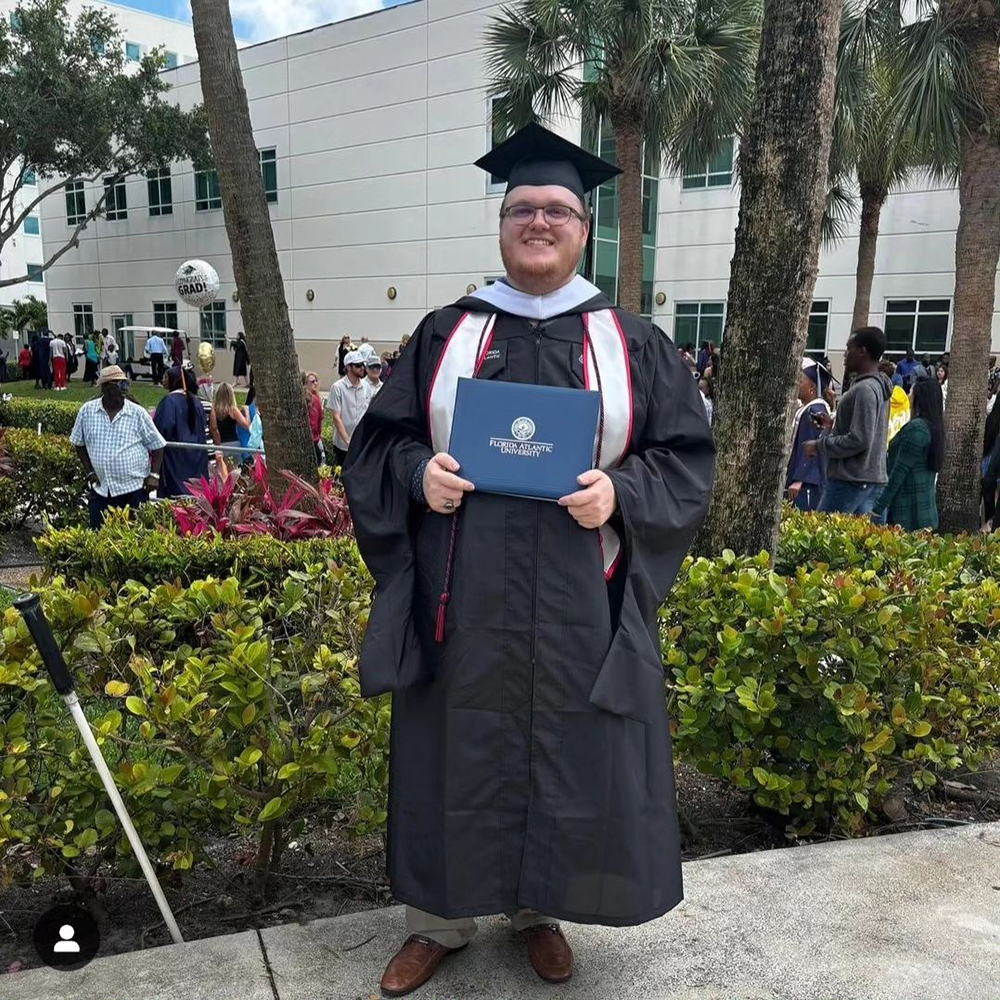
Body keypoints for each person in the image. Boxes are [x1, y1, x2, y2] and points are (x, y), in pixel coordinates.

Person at [343, 122, 715, 997]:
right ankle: (437, 922)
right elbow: (380, 446)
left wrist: (621, 492)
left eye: (556, 210)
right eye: (522, 209)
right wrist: (418, 474)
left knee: (563, 752)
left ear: (584, 228)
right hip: (461, 600)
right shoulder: (447, 332)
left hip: (579, 601)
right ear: (502, 224)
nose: (538, 222)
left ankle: (537, 911)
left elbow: (685, 457)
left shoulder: (631, 341)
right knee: (451, 749)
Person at [804, 326, 892, 516]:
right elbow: (868, 430)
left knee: (822, 531)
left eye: (849, 347)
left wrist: (819, 445)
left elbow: (860, 439)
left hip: (851, 480)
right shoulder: (877, 387)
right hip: (870, 479)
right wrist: (833, 425)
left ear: (862, 351)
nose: (845, 354)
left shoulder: (865, 390)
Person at [70, 365, 165, 528]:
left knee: (133, 536)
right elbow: (78, 443)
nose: (124, 388)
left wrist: (154, 475)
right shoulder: (87, 411)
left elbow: (158, 445)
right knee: (98, 535)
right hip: (101, 489)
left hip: (133, 489)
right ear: (105, 387)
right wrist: (89, 472)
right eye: (119, 384)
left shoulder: (137, 413)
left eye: (126, 383)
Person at [871, 376, 943, 531]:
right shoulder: (934, 427)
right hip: (926, 512)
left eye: (911, 392)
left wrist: (877, 508)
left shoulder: (917, 429)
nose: (908, 396)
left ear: (920, 398)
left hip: (909, 514)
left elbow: (899, 472)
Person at [154, 363, 209, 497]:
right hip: (197, 456)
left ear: (174, 380)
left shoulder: (169, 402)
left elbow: (160, 430)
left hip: (176, 459)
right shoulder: (196, 402)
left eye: (166, 377)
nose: (163, 380)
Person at [786, 358, 831, 511]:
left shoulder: (816, 411)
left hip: (808, 482)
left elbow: (814, 446)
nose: (797, 384)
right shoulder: (808, 408)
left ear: (812, 387)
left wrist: (800, 479)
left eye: (801, 381)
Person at [326, 349, 370, 468]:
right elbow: (336, 417)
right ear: (349, 367)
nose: (362, 368)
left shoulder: (366, 387)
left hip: (361, 443)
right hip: (343, 445)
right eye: (358, 365)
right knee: (343, 473)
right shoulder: (338, 387)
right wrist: (347, 441)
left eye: (363, 364)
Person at [210, 382, 251, 477]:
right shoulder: (233, 409)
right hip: (234, 444)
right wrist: (247, 411)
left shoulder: (214, 409)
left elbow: (214, 428)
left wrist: (218, 445)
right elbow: (246, 425)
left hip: (221, 444)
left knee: (223, 474)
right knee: (235, 473)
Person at [303, 371, 325, 466]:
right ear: (306, 384)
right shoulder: (312, 400)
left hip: (315, 439)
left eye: (316, 381)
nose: (315, 383)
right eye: (312, 381)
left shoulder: (316, 398)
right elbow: (314, 423)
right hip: (313, 439)